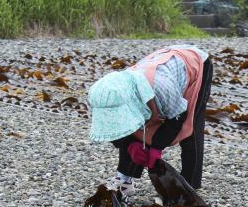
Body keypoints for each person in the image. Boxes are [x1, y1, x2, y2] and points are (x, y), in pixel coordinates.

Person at [87, 45, 212, 197]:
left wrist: (156, 146)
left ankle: (188, 187)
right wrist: (131, 145)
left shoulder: (163, 88)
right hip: (161, 66)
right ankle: (124, 179)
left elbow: (178, 119)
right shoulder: (118, 90)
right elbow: (120, 129)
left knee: (191, 130)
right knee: (131, 129)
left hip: (196, 64)